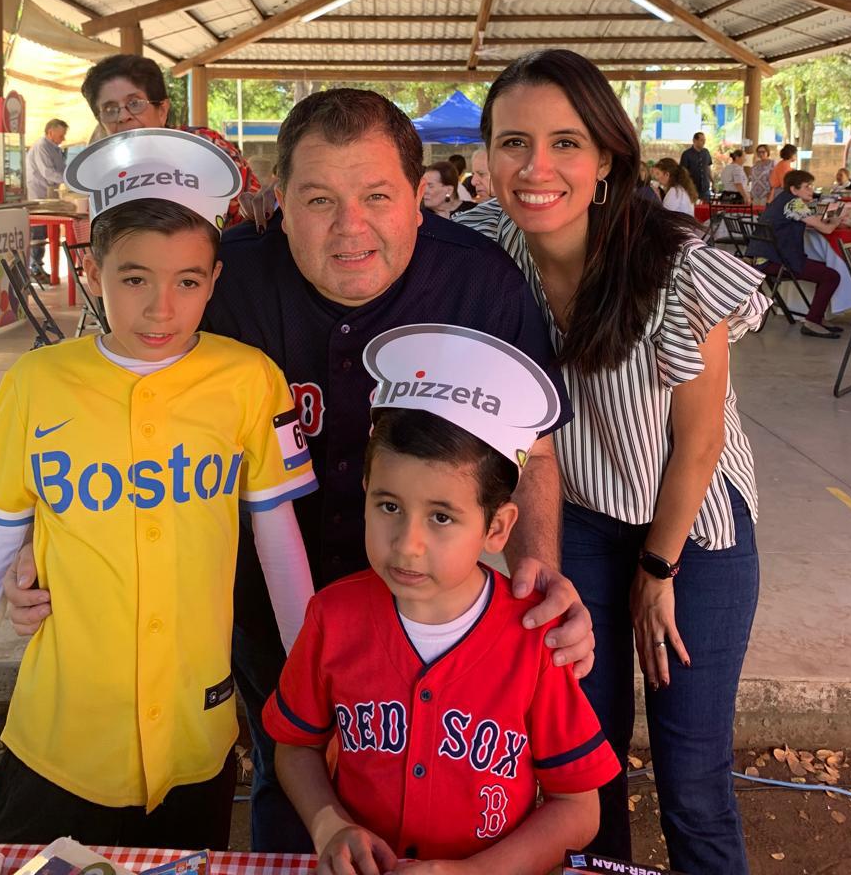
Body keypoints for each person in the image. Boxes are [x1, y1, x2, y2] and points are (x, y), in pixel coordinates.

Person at [4, 88, 594, 854]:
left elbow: (533, 449)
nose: (350, 227)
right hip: (257, 606)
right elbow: (120, 405)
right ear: (279, 203)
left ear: (420, 198)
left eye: (377, 196)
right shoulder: (224, 284)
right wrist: (38, 547)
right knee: (293, 795)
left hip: (433, 607)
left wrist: (536, 573)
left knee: (446, 804)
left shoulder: (477, 285)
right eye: (318, 199)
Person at [0, 129, 317, 848]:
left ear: (214, 282)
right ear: (94, 271)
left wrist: (313, 703)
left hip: (196, 746)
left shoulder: (249, 379)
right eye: (135, 278)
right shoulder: (38, 383)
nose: (161, 309)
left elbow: (280, 547)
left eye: (188, 282)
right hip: (58, 743)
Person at [457, 49, 767, 875]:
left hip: (691, 528)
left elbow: (699, 444)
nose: (536, 167)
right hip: (582, 521)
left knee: (691, 779)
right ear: (484, 156)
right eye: (512, 142)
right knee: (580, 768)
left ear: (606, 160)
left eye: (565, 142)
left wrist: (656, 571)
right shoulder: (482, 249)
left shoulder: (677, 268)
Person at [265, 326, 619, 875]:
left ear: (498, 528)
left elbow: (578, 807)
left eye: (441, 517)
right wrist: (328, 823)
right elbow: (296, 746)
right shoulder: (332, 617)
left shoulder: (535, 639)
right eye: (388, 506)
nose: (407, 543)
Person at [80, 53, 260, 226]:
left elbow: (253, 220)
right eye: (110, 109)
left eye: (135, 103)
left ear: (162, 111)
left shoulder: (206, 148)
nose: (122, 116)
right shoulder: (106, 176)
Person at [746, 169, 844, 339]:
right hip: (777, 262)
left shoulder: (781, 200)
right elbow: (827, 230)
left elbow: (804, 222)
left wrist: (821, 222)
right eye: (806, 186)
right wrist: (836, 220)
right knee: (831, 275)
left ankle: (816, 318)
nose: (810, 190)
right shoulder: (794, 203)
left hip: (764, 259)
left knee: (825, 271)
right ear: (793, 189)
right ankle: (812, 321)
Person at [25, 118, 69, 282]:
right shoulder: (42, 146)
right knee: (39, 233)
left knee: (46, 233)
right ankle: (35, 268)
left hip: (50, 195)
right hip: (39, 196)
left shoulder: (55, 149)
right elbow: (48, 172)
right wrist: (67, 181)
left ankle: (39, 267)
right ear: (51, 133)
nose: (63, 139)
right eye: (61, 135)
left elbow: (62, 170)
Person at [679, 131, 712, 200]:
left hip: (705, 189)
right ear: (694, 140)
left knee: (705, 209)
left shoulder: (706, 152)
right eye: (701, 140)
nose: (703, 142)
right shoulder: (686, 154)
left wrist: (712, 181)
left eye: (704, 140)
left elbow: (708, 167)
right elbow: (683, 172)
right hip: (692, 188)